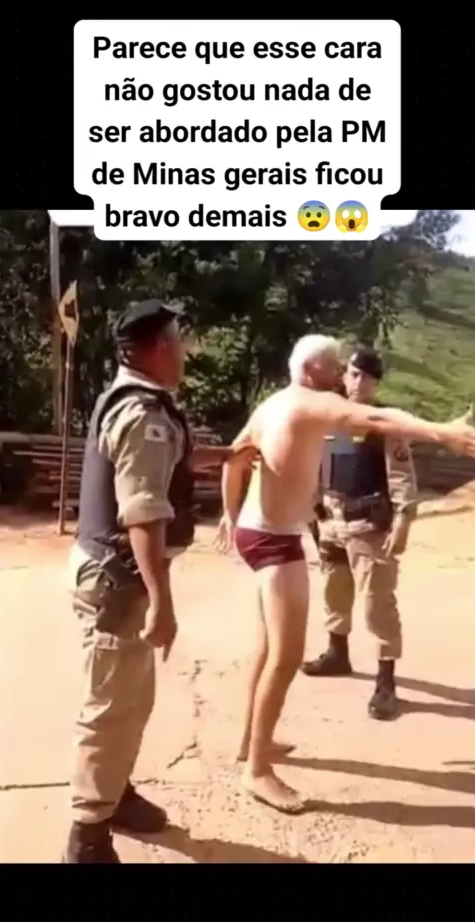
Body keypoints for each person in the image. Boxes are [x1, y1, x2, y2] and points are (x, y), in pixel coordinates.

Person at [215, 334, 475, 815]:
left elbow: (234, 457)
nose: (342, 375)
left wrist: (231, 515)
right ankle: (257, 769)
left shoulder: (273, 404)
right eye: (335, 367)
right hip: (275, 541)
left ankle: (251, 742)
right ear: (311, 371)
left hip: (259, 531)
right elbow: (378, 419)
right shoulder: (311, 404)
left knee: (268, 648)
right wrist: (443, 432)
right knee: (285, 656)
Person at [65, 298, 255, 863]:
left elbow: (171, 460)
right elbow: (143, 511)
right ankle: (87, 836)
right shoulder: (142, 416)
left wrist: (232, 453)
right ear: (159, 349)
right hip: (120, 580)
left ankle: (113, 794)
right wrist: (161, 602)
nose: (186, 351)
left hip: (118, 576)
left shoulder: (141, 404)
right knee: (109, 708)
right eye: (179, 340)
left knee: (131, 700)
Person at [301, 346, 417, 720]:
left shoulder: (384, 424)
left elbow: (402, 476)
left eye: (366, 376)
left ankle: (386, 682)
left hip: (369, 526)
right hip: (331, 522)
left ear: (375, 382)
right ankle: (337, 653)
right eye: (352, 374)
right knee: (334, 590)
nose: (358, 382)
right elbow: (317, 467)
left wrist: (403, 519)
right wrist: (311, 511)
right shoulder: (329, 419)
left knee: (377, 602)